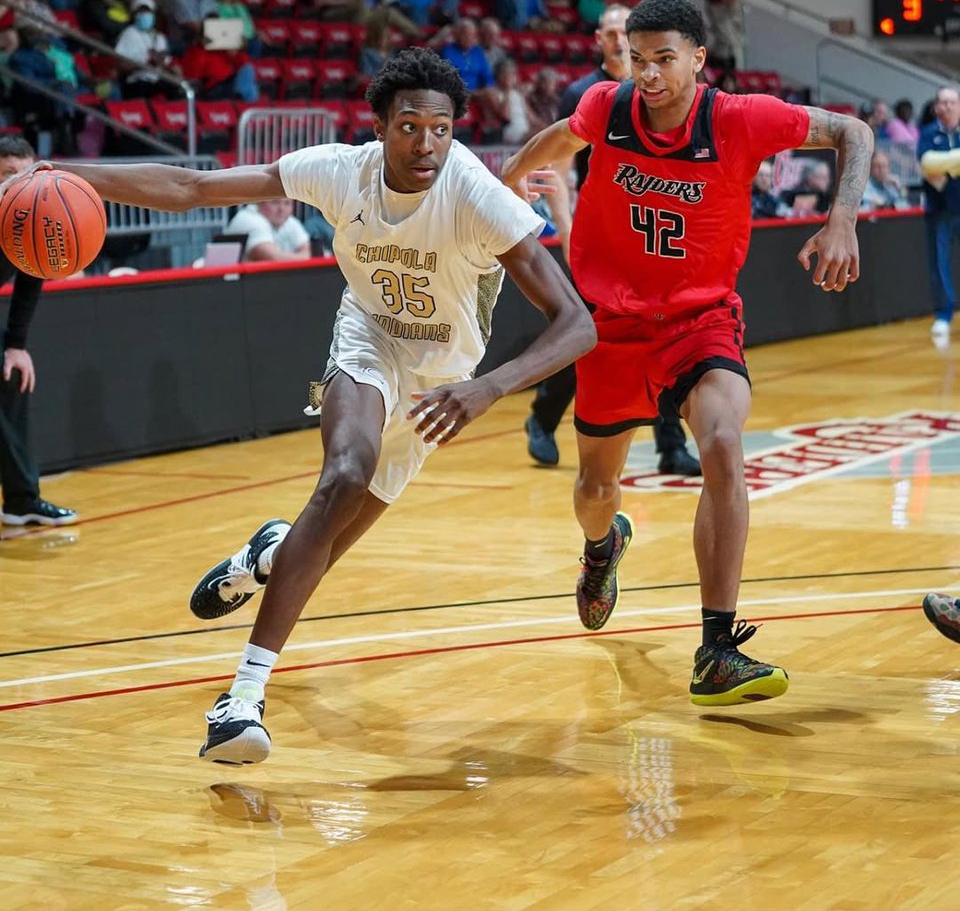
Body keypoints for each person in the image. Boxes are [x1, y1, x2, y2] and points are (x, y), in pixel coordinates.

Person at [16, 48, 594, 763]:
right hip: (367, 340)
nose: (427, 144)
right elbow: (193, 187)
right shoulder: (340, 170)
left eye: (441, 129)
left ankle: (268, 552)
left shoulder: (476, 195)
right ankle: (241, 700)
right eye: (410, 127)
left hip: (443, 379)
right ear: (379, 127)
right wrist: (67, 173)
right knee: (344, 473)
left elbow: (578, 324)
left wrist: (489, 387)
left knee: (320, 550)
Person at [502, 0, 871, 706]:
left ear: (699, 59)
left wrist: (843, 219)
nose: (648, 74)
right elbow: (560, 138)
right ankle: (603, 548)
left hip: (699, 321)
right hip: (609, 328)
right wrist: (504, 182)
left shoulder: (738, 118)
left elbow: (852, 130)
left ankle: (716, 649)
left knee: (724, 444)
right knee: (594, 494)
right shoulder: (607, 106)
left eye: (664, 59)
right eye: (639, 59)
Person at [524, 4, 700, 478]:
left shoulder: (663, 93)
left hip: (651, 238)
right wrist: (567, 231)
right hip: (600, 241)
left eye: (626, 32)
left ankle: (671, 446)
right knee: (585, 337)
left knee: (663, 337)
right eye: (611, 33)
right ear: (599, 40)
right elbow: (558, 168)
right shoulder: (585, 93)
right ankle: (542, 418)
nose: (619, 40)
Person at [0, 135, 77, 534]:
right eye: (7, 174)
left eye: (25, 173)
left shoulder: (30, 215)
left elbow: (31, 278)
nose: (18, 182)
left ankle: (22, 501)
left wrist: (16, 346)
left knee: (11, 377)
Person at [917, 86, 960, 346]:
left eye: (952, 102)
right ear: (936, 107)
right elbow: (927, 165)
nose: (947, 107)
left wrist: (945, 164)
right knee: (939, 264)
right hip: (940, 210)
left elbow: (937, 165)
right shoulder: (927, 133)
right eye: (942, 102)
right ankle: (943, 314)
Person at [225, 198, 310, 262]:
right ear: (260, 202)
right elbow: (274, 259)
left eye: (287, 203)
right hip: (229, 279)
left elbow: (311, 251)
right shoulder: (248, 218)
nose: (281, 209)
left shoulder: (288, 221)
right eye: (275, 202)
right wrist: (304, 257)